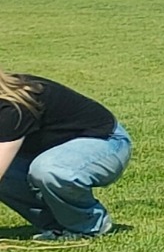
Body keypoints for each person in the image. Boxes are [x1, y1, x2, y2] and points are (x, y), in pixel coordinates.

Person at [0, 72, 131, 242]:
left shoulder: (13, 107)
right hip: (48, 152)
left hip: (106, 143)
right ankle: (58, 226)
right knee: (16, 173)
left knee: (49, 169)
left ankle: (90, 226)